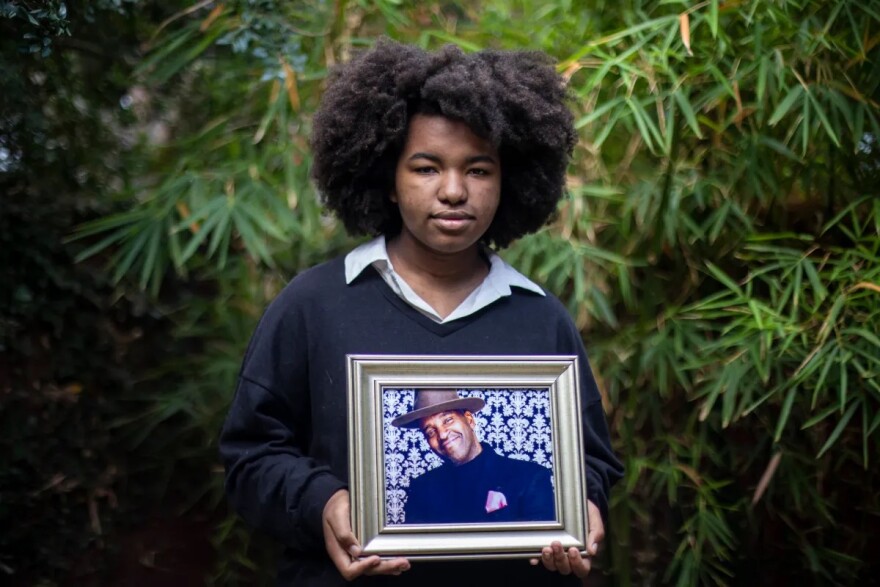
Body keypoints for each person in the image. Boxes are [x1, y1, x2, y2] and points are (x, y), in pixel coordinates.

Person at [219, 39, 623, 586]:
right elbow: (250, 456)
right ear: (387, 179)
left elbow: (592, 462)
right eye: (426, 168)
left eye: (478, 170)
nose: (454, 191)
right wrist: (323, 503)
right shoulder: (313, 306)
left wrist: (585, 508)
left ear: (509, 182)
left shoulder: (540, 319)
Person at [391, 389, 555, 524]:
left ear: (469, 420)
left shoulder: (530, 477)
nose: (442, 435)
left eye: (448, 420)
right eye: (430, 431)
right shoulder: (422, 489)